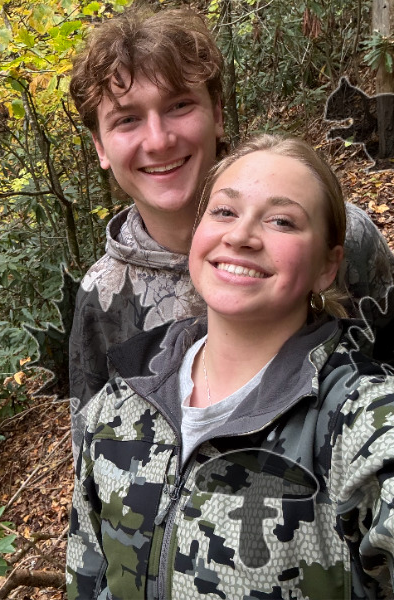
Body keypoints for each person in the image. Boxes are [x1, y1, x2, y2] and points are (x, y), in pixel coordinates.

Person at [66, 134, 394, 599]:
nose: (240, 236)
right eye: (224, 211)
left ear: (328, 266)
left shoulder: (358, 418)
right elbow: (87, 573)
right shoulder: (122, 401)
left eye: (282, 221)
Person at [67, 6, 394, 464]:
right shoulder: (102, 297)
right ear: (101, 147)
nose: (158, 140)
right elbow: (94, 457)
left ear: (217, 114)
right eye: (127, 119)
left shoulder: (341, 241)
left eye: (179, 105)